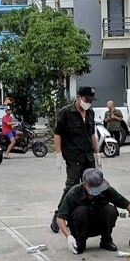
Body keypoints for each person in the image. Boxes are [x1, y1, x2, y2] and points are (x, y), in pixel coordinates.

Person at [56, 169, 130, 254]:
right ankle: (80, 242)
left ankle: (106, 240)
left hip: (99, 225)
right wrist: (68, 236)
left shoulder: (106, 190)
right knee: (81, 210)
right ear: (85, 185)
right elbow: (60, 218)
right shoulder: (74, 193)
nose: (98, 191)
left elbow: (129, 205)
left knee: (110, 210)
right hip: (80, 228)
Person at [50, 86, 101, 233]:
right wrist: (58, 153)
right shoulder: (66, 112)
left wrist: (97, 153)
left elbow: (92, 134)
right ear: (79, 97)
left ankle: (91, 217)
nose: (89, 102)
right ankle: (58, 216)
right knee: (71, 188)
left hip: (88, 157)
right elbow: (57, 133)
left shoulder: (90, 112)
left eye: (91, 100)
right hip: (73, 158)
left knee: (92, 187)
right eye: (86, 99)